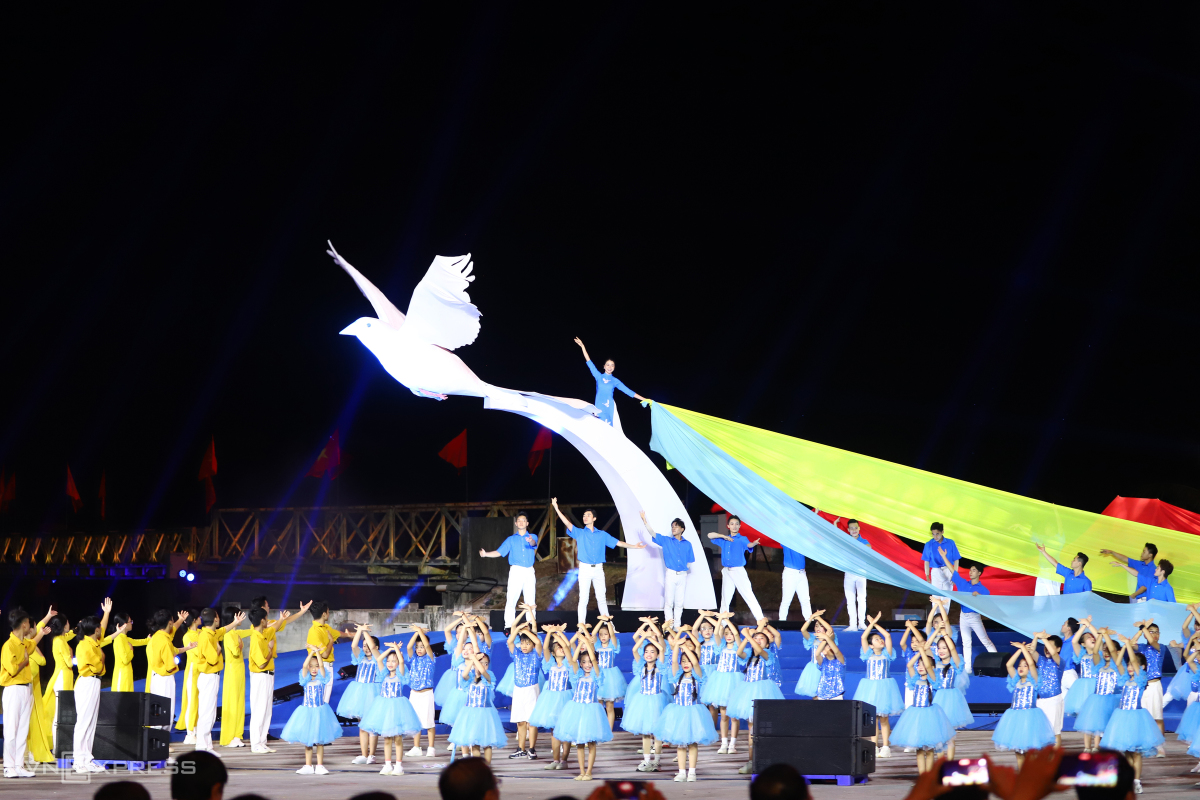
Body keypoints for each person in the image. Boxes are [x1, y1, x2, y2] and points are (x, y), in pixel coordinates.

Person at [551, 498, 645, 624]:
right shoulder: (579, 533)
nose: (585, 517)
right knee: (583, 599)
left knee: (601, 598)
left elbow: (618, 543)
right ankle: (581, 626)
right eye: (584, 515)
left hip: (599, 569)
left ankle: (608, 625)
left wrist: (634, 546)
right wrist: (556, 508)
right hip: (584, 569)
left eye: (588, 515)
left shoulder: (602, 535)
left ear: (594, 518)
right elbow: (567, 523)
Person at [1102, 634, 1165, 793]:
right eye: (1129, 664)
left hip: (1136, 717)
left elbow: (1135, 664)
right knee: (1126, 752)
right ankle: (1130, 779)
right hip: (1122, 716)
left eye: (1134, 664)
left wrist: (1128, 645)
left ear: (1142, 667)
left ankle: (1137, 781)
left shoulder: (1141, 677)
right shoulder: (1125, 678)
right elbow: (1117, 659)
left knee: (1136, 753)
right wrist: (1117, 644)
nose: (1130, 666)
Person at [654, 633, 717, 782]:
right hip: (679, 712)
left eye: (688, 660)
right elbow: (674, 662)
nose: (686, 663)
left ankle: (692, 772)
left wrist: (684, 647)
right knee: (681, 745)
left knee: (692, 743)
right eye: (683, 661)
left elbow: (695, 662)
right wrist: (676, 646)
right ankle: (682, 772)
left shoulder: (698, 675)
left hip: (694, 712)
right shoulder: (676, 676)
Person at [247, 600, 307, 754]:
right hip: (260, 675)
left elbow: (280, 624)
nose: (268, 621)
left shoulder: (265, 632)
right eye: (266, 619)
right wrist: (269, 649)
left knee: (267, 709)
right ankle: (256, 744)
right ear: (262, 620)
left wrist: (296, 614)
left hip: (268, 675)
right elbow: (261, 663)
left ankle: (262, 742)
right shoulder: (256, 638)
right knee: (259, 710)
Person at [551, 631, 612, 780]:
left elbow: (594, 660)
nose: (587, 665)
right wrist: (579, 645)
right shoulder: (577, 675)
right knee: (578, 744)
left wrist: (588, 644)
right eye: (583, 662)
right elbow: (572, 660)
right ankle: (581, 772)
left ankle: (589, 772)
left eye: (589, 662)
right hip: (577, 709)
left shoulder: (597, 676)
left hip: (591, 711)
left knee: (591, 744)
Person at [889, 641, 954, 774]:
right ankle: (922, 776)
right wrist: (919, 652)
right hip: (916, 715)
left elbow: (930, 668)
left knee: (929, 750)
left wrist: (924, 653)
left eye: (923, 664)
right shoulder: (915, 679)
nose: (920, 666)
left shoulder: (933, 680)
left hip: (929, 715)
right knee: (919, 750)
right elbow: (909, 665)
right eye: (919, 664)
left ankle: (929, 777)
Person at [728, 625, 785, 775]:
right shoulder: (748, 654)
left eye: (762, 639)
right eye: (756, 638)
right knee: (752, 730)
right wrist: (746, 638)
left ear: (767, 644)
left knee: (765, 729)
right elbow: (739, 652)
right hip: (748, 692)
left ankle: (767, 761)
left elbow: (759, 651)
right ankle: (751, 762)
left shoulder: (768, 654)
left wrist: (748, 636)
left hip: (764, 692)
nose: (758, 641)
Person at [2, 607, 51, 778]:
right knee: (11, 729)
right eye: (29, 624)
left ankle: (19, 764)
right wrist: (24, 660)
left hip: (26, 690)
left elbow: (33, 642)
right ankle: (9, 766)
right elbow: (13, 670)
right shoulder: (9, 646)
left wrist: (44, 629)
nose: (31, 627)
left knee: (23, 729)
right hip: (13, 689)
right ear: (23, 625)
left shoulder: (24, 644)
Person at [74, 598, 121, 773]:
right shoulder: (85, 645)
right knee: (83, 722)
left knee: (91, 722)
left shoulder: (93, 642)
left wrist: (106, 613)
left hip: (94, 683)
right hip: (86, 682)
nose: (101, 628)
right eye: (98, 627)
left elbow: (102, 633)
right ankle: (79, 760)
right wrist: (102, 656)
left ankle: (87, 758)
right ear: (94, 630)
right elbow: (99, 664)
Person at [360, 642, 421, 775]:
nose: (390, 663)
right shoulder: (383, 675)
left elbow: (402, 661)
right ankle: (387, 764)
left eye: (394, 661)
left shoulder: (400, 674)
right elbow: (379, 659)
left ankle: (398, 765)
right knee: (387, 739)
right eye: (389, 661)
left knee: (397, 739)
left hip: (398, 709)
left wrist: (397, 651)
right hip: (384, 708)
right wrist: (390, 650)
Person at [991, 641, 1055, 768]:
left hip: (1030, 717)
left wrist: (1024, 649)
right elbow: (1009, 665)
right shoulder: (1016, 681)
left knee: (1031, 751)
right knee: (1018, 751)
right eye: (1020, 665)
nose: (1021, 667)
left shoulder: (1034, 681)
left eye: (1024, 666)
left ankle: (1033, 773)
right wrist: (1020, 650)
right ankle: (1021, 774)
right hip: (1015, 717)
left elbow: (1032, 663)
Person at [282, 645, 343, 774]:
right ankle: (308, 766)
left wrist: (318, 654)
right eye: (312, 666)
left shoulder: (322, 679)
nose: (314, 669)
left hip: (320, 712)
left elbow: (322, 667)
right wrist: (311, 653)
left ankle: (320, 765)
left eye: (316, 666)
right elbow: (304, 666)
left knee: (320, 741)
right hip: (307, 712)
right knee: (308, 741)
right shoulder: (305, 680)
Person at [853, 613, 905, 757]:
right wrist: (871, 625)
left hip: (885, 688)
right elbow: (863, 637)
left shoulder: (887, 654)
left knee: (884, 719)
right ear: (871, 645)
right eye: (876, 639)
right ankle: (874, 746)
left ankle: (886, 746)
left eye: (879, 638)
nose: (880, 640)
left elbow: (888, 636)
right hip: (870, 688)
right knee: (872, 719)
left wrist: (876, 624)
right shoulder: (867, 654)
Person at [196, 607, 246, 754]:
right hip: (208, 676)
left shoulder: (211, 633)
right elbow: (212, 659)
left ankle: (207, 746)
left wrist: (235, 622)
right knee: (206, 712)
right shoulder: (206, 636)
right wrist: (218, 648)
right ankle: (202, 746)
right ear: (215, 619)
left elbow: (224, 630)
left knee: (210, 713)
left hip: (212, 676)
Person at [478, 514, 539, 630]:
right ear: (516, 524)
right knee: (511, 598)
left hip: (529, 570)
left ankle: (531, 624)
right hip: (516, 570)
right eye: (519, 521)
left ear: (527, 523)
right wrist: (486, 554)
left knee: (530, 598)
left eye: (524, 520)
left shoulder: (533, 536)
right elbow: (500, 552)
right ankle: (509, 626)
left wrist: (530, 540)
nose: (521, 522)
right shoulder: (511, 539)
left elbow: (533, 544)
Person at [572, 337, 646, 428]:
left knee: (608, 430)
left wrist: (644, 399)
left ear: (614, 367)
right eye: (608, 364)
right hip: (598, 407)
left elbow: (629, 391)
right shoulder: (598, 376)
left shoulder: (615, 381)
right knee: (598, 429)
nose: (610, 367)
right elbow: (589, 362)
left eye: (612, 365)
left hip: (609, 408)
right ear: (604, 366)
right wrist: (582, 346)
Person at [528, 625, 574, 770]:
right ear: (554, 652)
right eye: (557, 647)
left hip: (565, 698)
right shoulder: (550, 664)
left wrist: (558, 632)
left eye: (561, 647)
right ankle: (555, 759)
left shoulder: (569, 663)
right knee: (554, 732)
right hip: (551, 699)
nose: (561, 648)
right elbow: (546, 649)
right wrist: (549, 633)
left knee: (565, 730)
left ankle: (564, 761)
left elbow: (567, 647)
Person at [623, 630, 669, 773]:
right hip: (642, 701)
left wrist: (651, 639)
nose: (649, 654)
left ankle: (656, 761)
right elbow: (634, 649)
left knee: (658, 733)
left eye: (652, 652)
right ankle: (646, 760)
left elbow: (661, 648)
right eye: (647, 652)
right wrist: (645, 637)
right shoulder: (640, 667)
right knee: (645, 733)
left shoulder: (660, 667)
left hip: (657, 700)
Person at [641, 511, 694, 629]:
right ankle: (668, 626)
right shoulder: (666, 540)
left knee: (679, 603)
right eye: (672, 526)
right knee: (669, 602)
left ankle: (677, 626)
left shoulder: (688, 544)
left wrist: (684, 570)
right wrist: (645, 522)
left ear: (682, 529)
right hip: (671, 574)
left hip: (682, 575)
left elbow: (690, 560)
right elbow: (653, 534)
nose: (673, 528)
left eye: (676, 526)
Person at [701, 613, 745, 754]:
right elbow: (717, 633)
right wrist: (721, 619)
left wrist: (727, 620)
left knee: (733, 715)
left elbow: (737, 637)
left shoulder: (739, 647)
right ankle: (724, 742)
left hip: (734, 681)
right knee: (724, 714)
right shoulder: (720, 647)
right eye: (726, 633)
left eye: (731, 633)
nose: (729, 635)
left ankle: (733, 744)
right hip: (720, 681)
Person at [708, 515, 766, 622]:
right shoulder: (724, 539)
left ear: (739, 526)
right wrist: (723, 536)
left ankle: (761, 619)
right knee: (725, 598)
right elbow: (710, 535)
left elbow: (749, 544)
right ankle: (723, 624)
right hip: (727, 571)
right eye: (732, 524)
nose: (734, 526)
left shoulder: (742, 539)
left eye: (736, 524)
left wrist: (754, 543)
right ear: (728, 526)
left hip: (738, 571)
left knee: (748, 594)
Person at [340, 624, 384, 764]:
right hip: (359, 693)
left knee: (372, 725)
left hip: (373, 693)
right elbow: (354, 646)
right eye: (363, 646)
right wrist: (359, 631)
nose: (365, 648)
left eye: (367, 645)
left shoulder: (379, 658)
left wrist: (365, 632)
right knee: (362, 725)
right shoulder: (361, 659)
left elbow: (372, 648)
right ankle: (364, 755)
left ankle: (372, 755)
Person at [147, 610, 195, 738]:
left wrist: (187, 648)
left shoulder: (158, 636)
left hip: (156, 678)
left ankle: (158, 742)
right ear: (169, 622)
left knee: (159, 711)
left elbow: (172, 646)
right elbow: (170, 665)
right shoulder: (164, 640)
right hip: (164, 679)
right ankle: (160, 742)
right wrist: (175, 666)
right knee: (165, 711)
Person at [947, 560, 997, 673]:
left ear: (979, 573)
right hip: (963, 615)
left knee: (985, 640)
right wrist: (944, 557)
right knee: (966, 642)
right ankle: (967, 669)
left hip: (974, 616)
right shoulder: (964, 584)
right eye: (970, 570)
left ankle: (997, 662)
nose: (970, 572)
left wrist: (979, 597)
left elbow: (988, 605)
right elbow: (953, 571)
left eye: (973, 570)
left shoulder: (984, 590)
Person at [1132, 621, 1171, 755]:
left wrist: (1144, 627)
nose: (1154, 634)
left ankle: (1160, 747)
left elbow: (1151, 640)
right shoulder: (1142, 647)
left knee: (1157, 717)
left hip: (1154, 685)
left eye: (1156, 632)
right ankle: (1145, 744)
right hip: (1142, 686)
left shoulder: (1160, 647)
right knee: (1142, 716)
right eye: (1151, 631)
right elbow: (1131, 644)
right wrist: (1140, 630)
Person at [506, 622, 543, 760]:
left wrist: (527, 632)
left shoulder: (536, 654)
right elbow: (510, 640)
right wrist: (518, 630)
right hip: (518, 689)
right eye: (522, 643)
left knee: (531, 721)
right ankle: (520, 748)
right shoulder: (516, 654)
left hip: (531, 689)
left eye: (528, 643)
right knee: (520, 721)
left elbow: (538, 642)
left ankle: (532, 749)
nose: (524, 646)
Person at [306, 600, 351, 702]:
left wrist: (349, 634)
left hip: (327, 667)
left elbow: (337, 633)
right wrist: (331, 641)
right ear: (324, 614)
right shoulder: (314, 632)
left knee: (325, 700)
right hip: (320, 667)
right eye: (328, 612)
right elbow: (325, 654)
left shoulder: (325, 627)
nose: (329, 614)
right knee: (319, 701)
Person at [405, 626, 439, 757]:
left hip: (426, 693)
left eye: (422, 646)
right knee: (415, 721)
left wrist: (420, 632)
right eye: (417, 647)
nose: (419, 649)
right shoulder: (413, 658)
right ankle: (416, 747)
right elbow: (408, 647)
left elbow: (427, 646)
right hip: (414, 693)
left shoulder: (431, 658)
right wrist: (416, 632)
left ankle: (431, 748)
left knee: (429, 721)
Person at [43, 613, 75, 750]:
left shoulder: (59, 639)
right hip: (62, 676)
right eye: (67, 623)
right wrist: (71, 652)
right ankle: (57, 746)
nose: (69, 624)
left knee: (61, 711)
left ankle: (59, 745)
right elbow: (68, 662)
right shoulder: (61, 641)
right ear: (63, 625)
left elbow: (69, 636)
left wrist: (77, 630)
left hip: (64, 675)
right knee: (60, 712)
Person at [1031, 631, 1068, 747]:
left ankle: (1055, 759)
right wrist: (1037, 637)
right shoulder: (1041, 660)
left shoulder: (1060, 662)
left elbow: (1052, 653)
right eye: (1045, 647)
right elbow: (1031, 651)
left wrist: (1044, 639)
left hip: (1054, 700)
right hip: (1040, 700)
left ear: (1058, 649)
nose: (1047, 649)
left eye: (1051, 646)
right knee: (1041, 729)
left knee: (1054, 731)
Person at [842, 519, 872, 631]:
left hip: (861, 573)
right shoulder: (846, 540)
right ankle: (853, 624)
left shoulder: (863, 541)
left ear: (859, 528)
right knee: (850, 599)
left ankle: (862, 623)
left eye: (856, 528)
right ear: (848, 530)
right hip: (849, 573)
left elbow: (869, 548)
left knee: (862, 598)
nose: (854, 530)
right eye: (851, 528)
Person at [110, 612, 150, 692]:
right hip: (121, 675)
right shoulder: (119, 639)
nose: (132, 623)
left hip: (127, 674)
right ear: (124, 624)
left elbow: (138, 642)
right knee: (121, 701)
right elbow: (125, 659)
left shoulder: (125, 638)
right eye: (130, 621)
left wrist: (148, 639)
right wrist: (131, 650)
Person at [921, 523, 960, 607]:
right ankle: (935, 619)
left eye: (937, 534)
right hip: (936, 571)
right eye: (933, 534)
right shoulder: (929, 544)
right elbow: (926, 561)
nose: (935, 536)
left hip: (948, 570)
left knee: (947, 597)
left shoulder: (950, 543)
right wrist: (927, 575)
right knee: (935, 597)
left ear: (942, 532)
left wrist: (955, 575)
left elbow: (956, 559)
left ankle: (944, 619)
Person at [778, 544, 813, 622]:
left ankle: (809, 621)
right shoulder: (786, 539)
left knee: (805, 599)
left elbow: (811, 543)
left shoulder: (801, 541)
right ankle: (782, 622)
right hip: (790, 572)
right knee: (787, 599)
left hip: (802, 572)